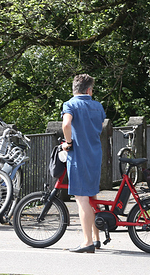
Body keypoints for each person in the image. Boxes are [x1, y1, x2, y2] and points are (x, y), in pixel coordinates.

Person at [61, 74, 106, 253]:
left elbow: (66, 125)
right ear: (88, 90)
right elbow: (100, 124)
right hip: (95, 155)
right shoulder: (97, 106)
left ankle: (87, 242)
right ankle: (96, 238)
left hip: (79, 156)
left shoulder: (70, 104)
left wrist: (68, 143)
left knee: (81, 199)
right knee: (92, 196)